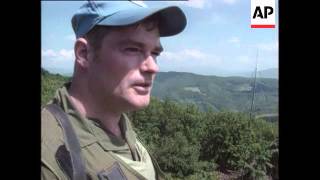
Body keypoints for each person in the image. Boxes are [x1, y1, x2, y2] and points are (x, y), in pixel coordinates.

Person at [41, 1, 186, 180]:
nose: (152, 67)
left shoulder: (119, 120)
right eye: (133, 49)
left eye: (155, 53)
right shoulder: (49, 154)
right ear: (84, 53)